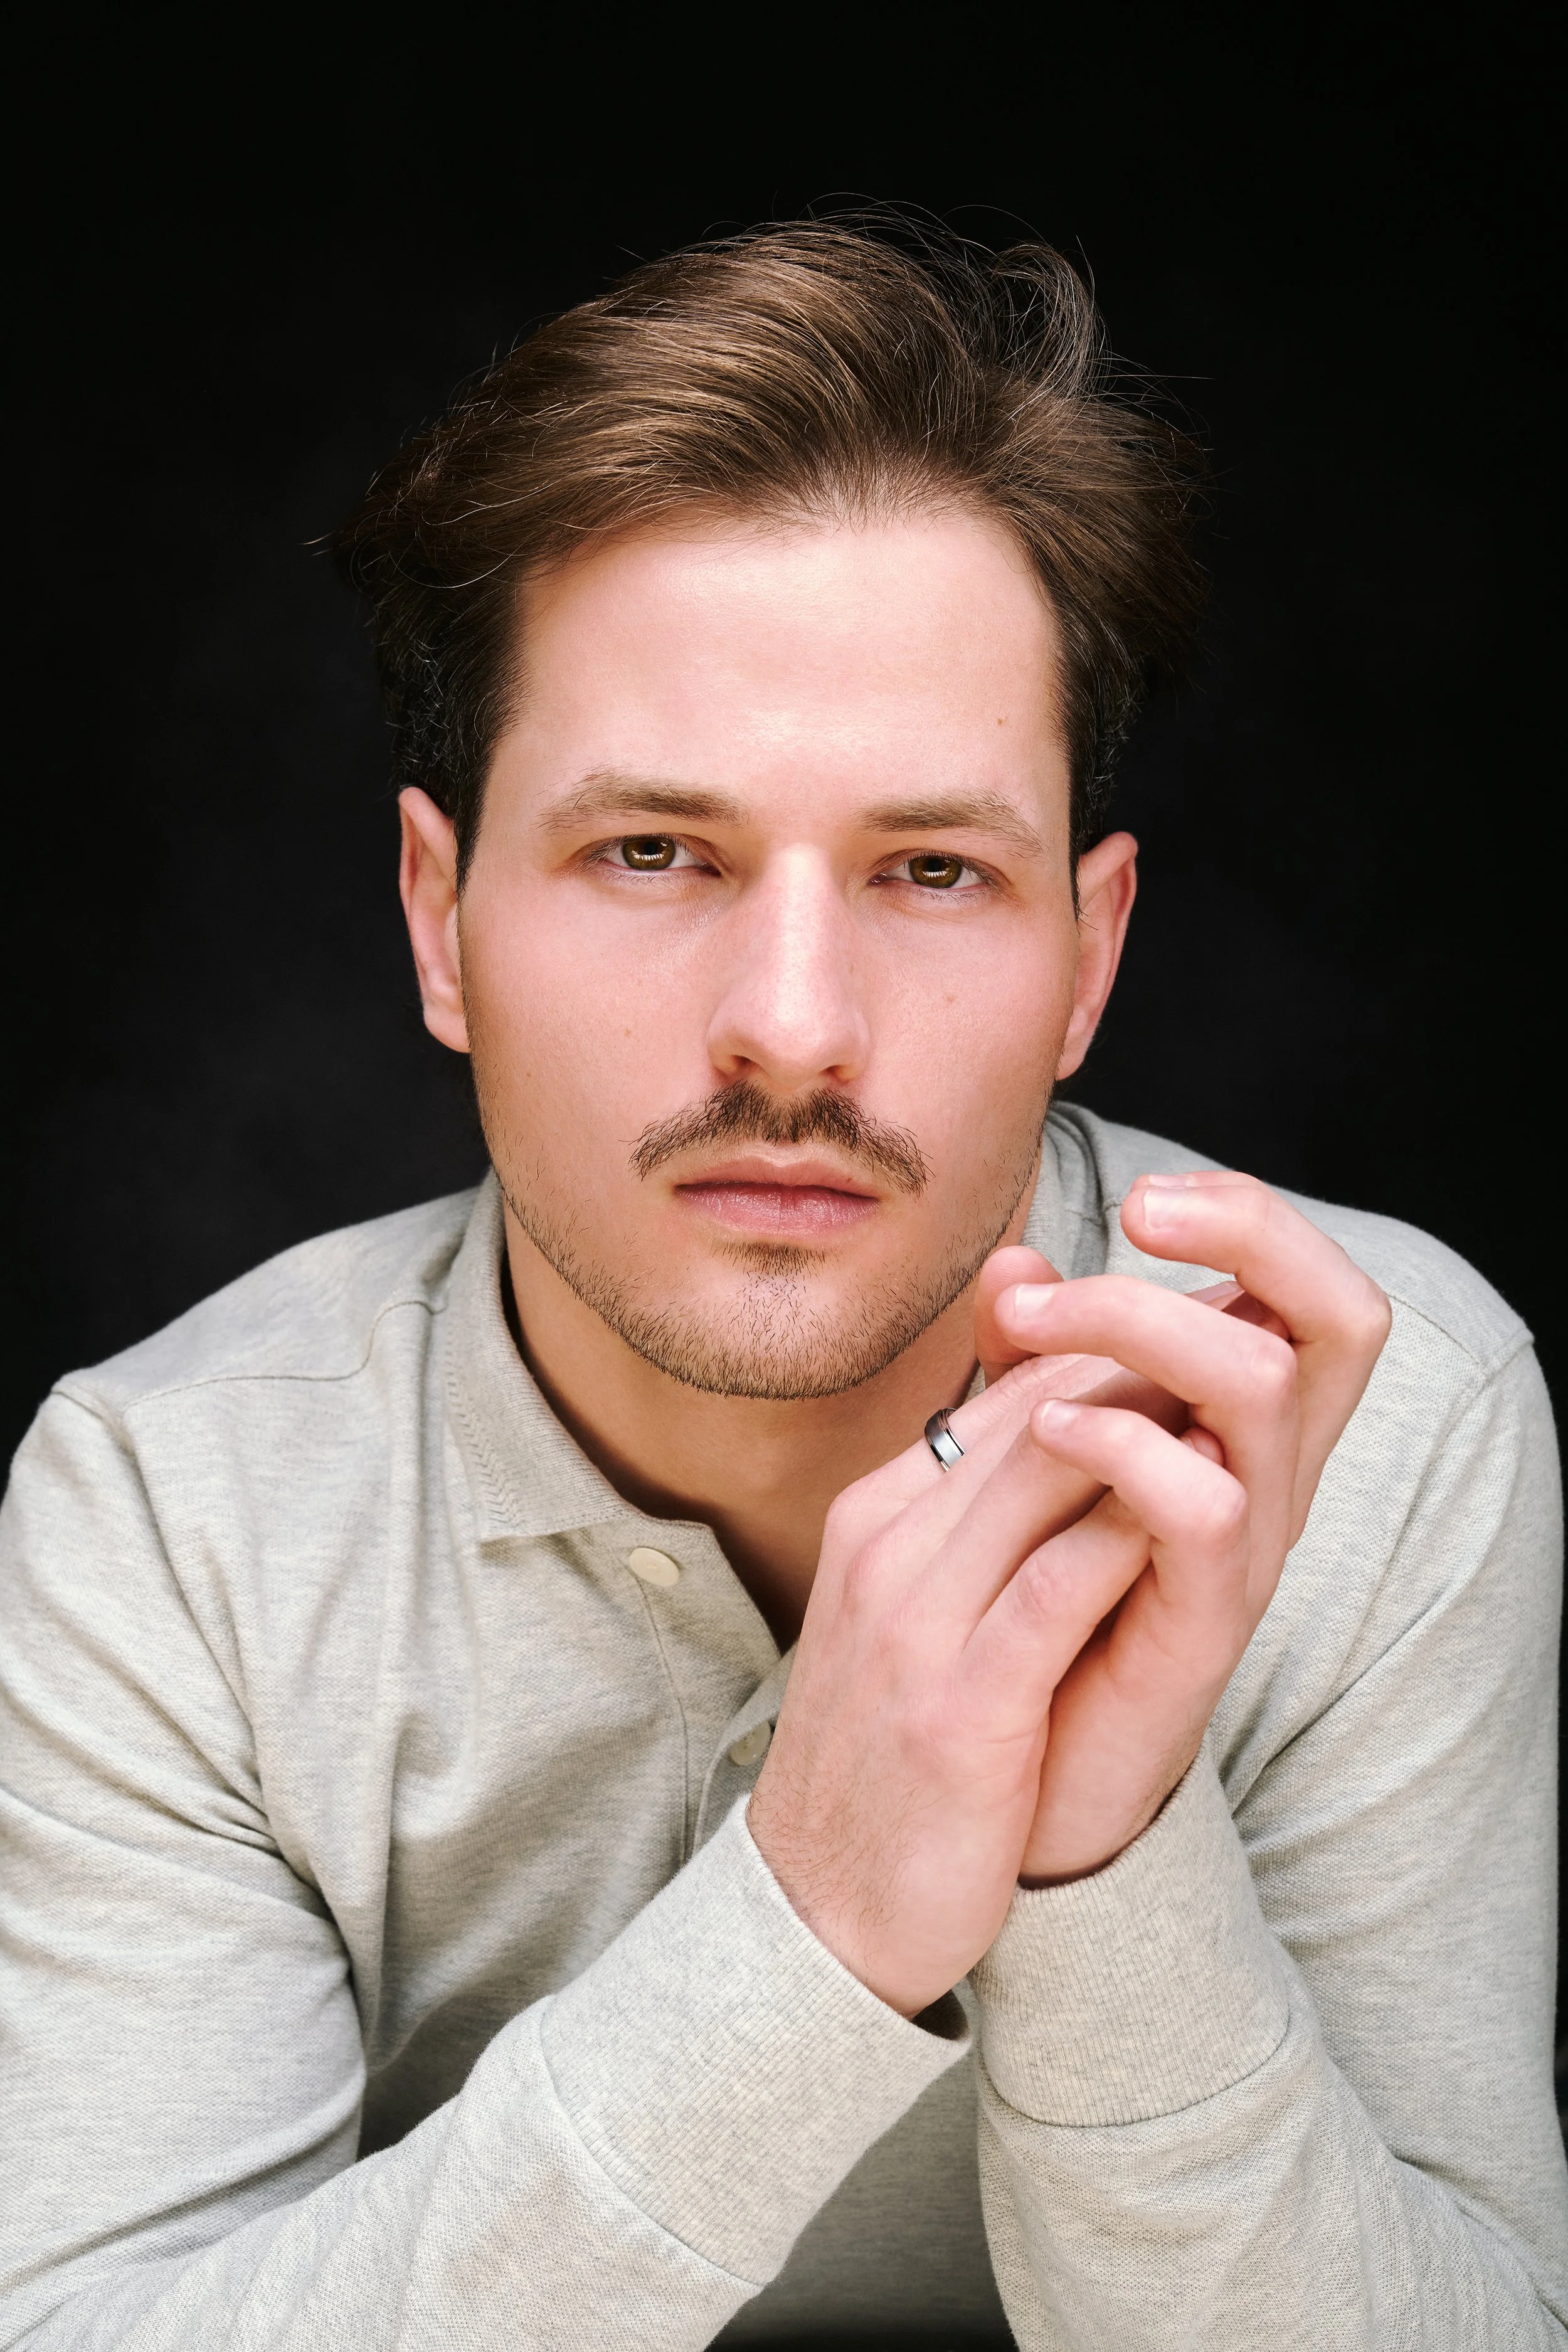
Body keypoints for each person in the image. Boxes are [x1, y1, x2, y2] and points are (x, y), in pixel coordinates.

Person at [1, 221, 1562, 2352]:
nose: (796, 1028)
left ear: (1086, 955)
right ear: (440, 919)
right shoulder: (163, 1517)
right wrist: (811, 1914)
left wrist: (1106, 1866)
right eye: (655, 851)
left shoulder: (1365, 1418)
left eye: (932, 867)